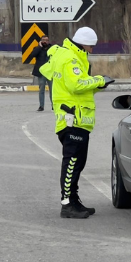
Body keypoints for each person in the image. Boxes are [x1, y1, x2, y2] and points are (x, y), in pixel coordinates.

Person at [40, 26, 114, 219]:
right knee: (72, 162)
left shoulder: (72, 56)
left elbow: (80, 86)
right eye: (91, 47)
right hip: (72, 119)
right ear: (84, 43)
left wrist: (100, 84)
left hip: (78, 118)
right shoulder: (70, 58)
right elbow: (76, 85)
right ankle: (67, 204)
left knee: (77, 162)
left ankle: (73, 200)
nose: (92, 50)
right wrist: (98, 80)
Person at [32, 35, 54, 111]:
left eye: (46, 40)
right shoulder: (37, 49)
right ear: (41, 41)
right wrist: (39, 47)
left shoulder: (52, 48)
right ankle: (41, 106)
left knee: (52, 90)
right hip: (41, 73)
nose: (45, 41)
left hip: (50, 72)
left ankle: (53, 105)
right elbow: (33, 55)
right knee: (41, 89)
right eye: (43, 40)